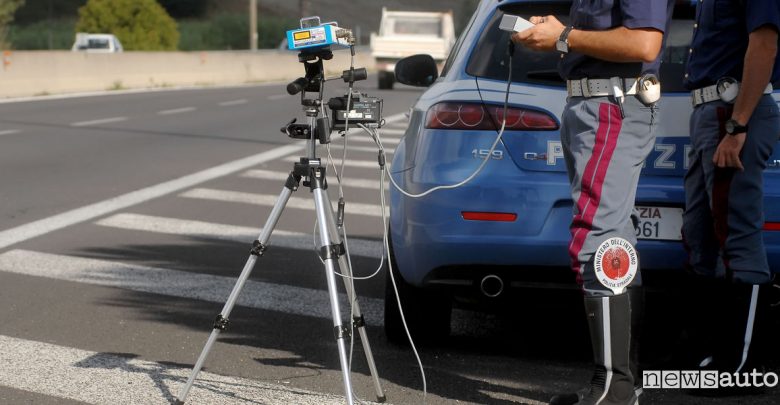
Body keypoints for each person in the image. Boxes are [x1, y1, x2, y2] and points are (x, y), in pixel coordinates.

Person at [512, 2, 673, 404]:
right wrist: (557, 33)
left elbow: (644, 43)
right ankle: (620, 385)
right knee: (613, 238)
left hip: (612, 105)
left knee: (598, 238)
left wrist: (564, 36)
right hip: (592, 105)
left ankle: (613, 388)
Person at [682, 0, 779, 383]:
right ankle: (704, 353)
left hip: (734, 114)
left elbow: (764, 46)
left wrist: (737, 127)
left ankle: (741, 366)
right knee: (699, 237)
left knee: (739, 238)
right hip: (710, 113)